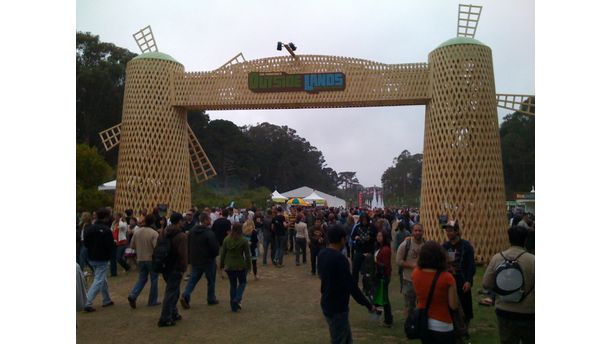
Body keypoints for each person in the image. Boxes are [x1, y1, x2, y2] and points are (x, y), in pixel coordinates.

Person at [318, 224, 376, 343]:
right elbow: (351, 286)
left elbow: (321, 275)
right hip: (337, 306)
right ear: (342, 239)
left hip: (326, 301)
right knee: (339, 339)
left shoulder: (322, 254)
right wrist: (368, 305)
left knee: (345, 338)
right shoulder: (340, 259)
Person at [482, 226, 535, 344]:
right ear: (525, 240)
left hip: (504, 310)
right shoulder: (533, 260)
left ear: (508, 239)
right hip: (528, 311)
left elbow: (486, 284)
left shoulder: (497, 258)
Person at [412, 241, 459, 343]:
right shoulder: (447, 278)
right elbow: (453, 305)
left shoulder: (415, 273)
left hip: (424, 322)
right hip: (442, 324)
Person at [442, 220, 476, 340]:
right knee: (451, 306)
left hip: (462, 280)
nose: (448, 233)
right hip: (449, 280)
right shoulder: (444, 246)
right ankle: (454, 329)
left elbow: (471, 265)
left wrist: (468, 281)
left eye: (450, 230)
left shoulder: (466, 246)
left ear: (457, 231)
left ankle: (465, 330)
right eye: (447, 230)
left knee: (466, 306)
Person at [180, 212, 220, 309]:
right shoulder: (208, 233)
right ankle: (211, 298)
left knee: (193, 279)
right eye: (209, 219)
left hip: (195, 259)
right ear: (205, 220)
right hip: (208, 260)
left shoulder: (192, 231)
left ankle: (186, 295)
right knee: (211, 280)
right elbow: (214, 248)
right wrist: (214, 255)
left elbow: (188, 244)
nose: (210, 221)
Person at [157, 213, 188, 327]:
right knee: (171, 292)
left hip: (165, 265)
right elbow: (183, 254)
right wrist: (184, 267)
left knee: (173, 290)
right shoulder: (181, 236)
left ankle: (173, 313)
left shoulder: (163, 232)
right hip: (176, 267)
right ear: (179, 221)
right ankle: (165, 317)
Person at [83, 207, 115, 312]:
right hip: (102, 258)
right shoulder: (106, 230)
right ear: (106, 217)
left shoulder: (89, 229)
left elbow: (86, 243)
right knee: (99, 280)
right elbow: (109, 245)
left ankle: (106, 299)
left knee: (101, 278)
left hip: (92, 257)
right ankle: (86, 301)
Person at [127, 214, 160, 308]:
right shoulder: (154, 233)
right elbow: (156, 247)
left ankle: (133, 295)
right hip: (150, 259)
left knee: (142, 278)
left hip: (140, 258)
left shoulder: (137, 232)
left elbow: (132, 245)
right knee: (154, 279)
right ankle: (152, 300)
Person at [220, 223, 252, 312]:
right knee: (242, 283)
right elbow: (247, 255)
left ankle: (233, 307)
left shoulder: (226, 239)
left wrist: (222, 265)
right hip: (240, 265)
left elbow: (223, 254)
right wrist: (249, 266)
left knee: (233, 285)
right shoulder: (244, 240)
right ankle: (237, 298)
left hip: (229, 266)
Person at [351, 214, 377, 287]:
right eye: (362, 220)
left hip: (369, 251)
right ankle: (354, 284)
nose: (364, 222)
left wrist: (370, 238)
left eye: (365, 220)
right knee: (355, 269)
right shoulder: (357, 227)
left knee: (368, 270)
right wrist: (355, 237)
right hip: (359, 250)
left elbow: (376, 238)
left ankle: (367, 286)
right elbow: (352, 236)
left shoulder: (372, 227)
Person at [374, 231, 393, 327]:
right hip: (381, 275)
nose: (378, 237)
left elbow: (385, 265)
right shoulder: (380, 247)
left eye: (380, 235)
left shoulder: (385, 249)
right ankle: (385, 317)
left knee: (384, 298)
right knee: (382, 297)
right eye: (378, 235)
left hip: (383, 276)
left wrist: (375, 264)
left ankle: (388, 319)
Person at [110, 212, 130, 276]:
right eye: (114, 216)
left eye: (116, 216)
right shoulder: (114, 223)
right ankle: (114, 272)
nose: (114, 217)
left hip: (121, 242)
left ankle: (127, 267)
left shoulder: (123, 223)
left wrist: (121, 219)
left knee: (118, 258)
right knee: (114, 258)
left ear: (119, 216)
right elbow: (111, 230)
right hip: (115, 242)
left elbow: (122, 226)